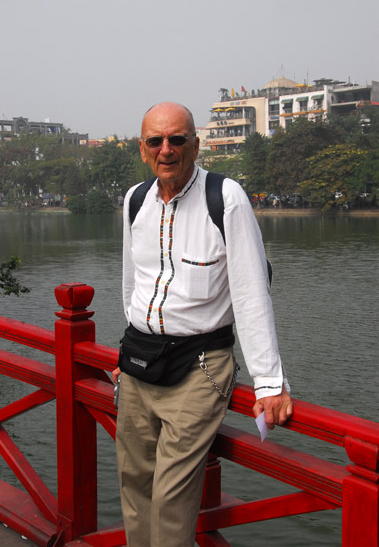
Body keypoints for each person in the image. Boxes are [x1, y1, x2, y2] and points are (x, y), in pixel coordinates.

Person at [112, 102, 292, 547]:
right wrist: (129, 351)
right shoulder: (136, 200)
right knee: (134, 484)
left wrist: (269, 383)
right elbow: (133, 282)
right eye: (156, 141)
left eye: (177, 139)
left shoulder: (225, 197)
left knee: (171, 501)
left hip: (199, 366)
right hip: (139, 366)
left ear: (196, 143)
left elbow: (250, 293)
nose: (167, 150)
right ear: (142, 149)